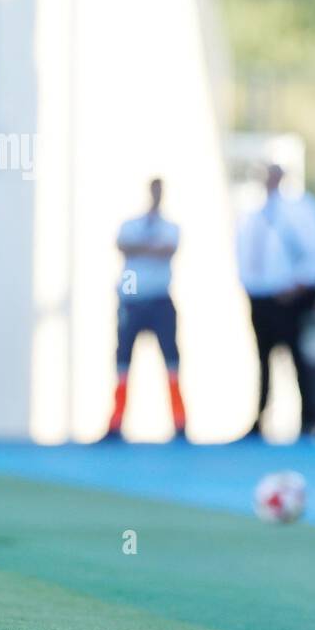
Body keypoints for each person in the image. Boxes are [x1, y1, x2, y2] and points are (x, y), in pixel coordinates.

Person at [235, 164, 315, 437]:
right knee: (263, 359)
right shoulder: (253, 213)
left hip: (290, 298)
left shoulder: (301, 209)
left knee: (298, 358)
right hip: (260, 297)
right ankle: (260, 419)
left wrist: (299, 284)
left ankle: (308, 418)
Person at [101, 178, 187, 442]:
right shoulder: (132, 224)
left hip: (160, 300)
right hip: (132, 301)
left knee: (171, 360)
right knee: (123, 360)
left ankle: (180, 422)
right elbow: (124, 246)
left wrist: (142, 249)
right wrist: (148, 248)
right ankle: (116, 422)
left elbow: (166, 250)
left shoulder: (170, 227)